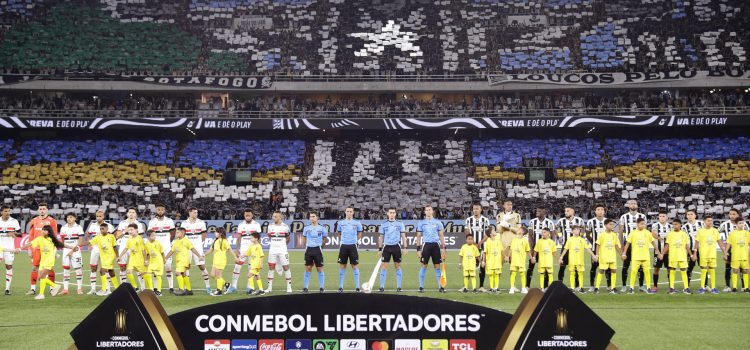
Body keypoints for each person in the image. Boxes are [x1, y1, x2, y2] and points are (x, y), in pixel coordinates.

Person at [17, 225, 78, 300]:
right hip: (42, 261)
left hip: (49, 261)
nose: (43, 231)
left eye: (45, 230)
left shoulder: (52, 239)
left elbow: (62, 245)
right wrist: (20, 248)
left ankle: (44, 292)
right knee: (40, 278)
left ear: (49, 232)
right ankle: (51, 288)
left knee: (42, 277)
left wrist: (72, 247)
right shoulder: (39, 238)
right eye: (42, 230)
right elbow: (30, 244)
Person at [621, 218, 661, 294]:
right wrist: (624, 253)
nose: (643, 225)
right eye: (642, 223)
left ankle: (649, 288)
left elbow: (653, 243)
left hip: (645, 256)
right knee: (633, 272)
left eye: (644, 224)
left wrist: (658, 252)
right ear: (637, 224)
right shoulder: (632, 233)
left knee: (647, 272)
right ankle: (631, 288)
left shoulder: (648, 233)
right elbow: (627, 244)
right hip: (636, 257)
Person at [26, 203, 58, 296]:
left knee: (50, 268)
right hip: (36, 249)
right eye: (40, 209)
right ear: (38, 210)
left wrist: (54, 250)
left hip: (48, 250)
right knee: (35, 268)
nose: (42, 210)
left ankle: (52, 289)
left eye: (44, 209)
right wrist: (29, 249)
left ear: (47, 210)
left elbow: (54, 236)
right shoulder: (34, 220)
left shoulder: (52, 221)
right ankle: (32, 289)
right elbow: (31, 235)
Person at [416, 205, 447, 293]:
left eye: (430, 210)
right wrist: (418, 249)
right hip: (426, 246)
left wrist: (443, 248)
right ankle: (421, 287)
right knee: (424, 266)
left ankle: (440, 287)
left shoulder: (438, 222)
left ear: (432, 211)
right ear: (424, 212)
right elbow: (418, 236)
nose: (428, 211)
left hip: (436, 246)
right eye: (426, 210)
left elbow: (441, 235)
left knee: (437, 267)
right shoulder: (421, 223)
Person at [164, 227, 204, 296]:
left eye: (177, 232)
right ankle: (189, 290)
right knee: (183, 274)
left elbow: (192, 249)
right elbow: (172, 251)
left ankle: (181, 290)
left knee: (177, 273)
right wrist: (165, 258)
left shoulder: (186, 241)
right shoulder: (176, 241)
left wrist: (199, 256)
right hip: (179, 261)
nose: (176, 234)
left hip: (184, 260)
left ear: (182, 233)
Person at [229, 209, 261, 294]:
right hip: (243, 250)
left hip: (253, 250)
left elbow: (259, 238)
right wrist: (237, 249)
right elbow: (238, 237)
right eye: (246, 215)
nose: (247, 217)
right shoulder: (240, 225)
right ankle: (234, 286)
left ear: (252, 215)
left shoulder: (256, 225)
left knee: (251, 269)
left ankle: (249, 287)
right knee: (237, 267)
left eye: (249, 215)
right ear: (244, 216)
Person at [180, 208, 211, 294]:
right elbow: (182, 235)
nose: (196, 214)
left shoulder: (201, 222)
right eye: (194, 213)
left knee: (201, 266)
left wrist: (201, 243)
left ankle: (208, 287)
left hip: (198, 248)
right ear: (189, 213)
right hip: (187, 248)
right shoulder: (184, 223)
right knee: (186, 267)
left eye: (196, 212)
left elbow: (204, 234)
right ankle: (187, 288)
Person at [619, 200, 647, 292]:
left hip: (639, 245)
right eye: (631, 203)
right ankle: (624, 286)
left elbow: (645, 232)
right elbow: (620, 232)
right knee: (625, 265)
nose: (633, 205)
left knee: (640, 266)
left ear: (637, 205)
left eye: (634, 203)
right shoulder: (624, 217)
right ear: (628, 206)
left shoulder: (642, 216)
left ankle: (641, 285)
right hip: (628, 244)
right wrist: (622, 247)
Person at [147, 203, 175, 293]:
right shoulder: (152, 222)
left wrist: (167, 242)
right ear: (156, 210)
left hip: (166, 247)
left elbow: (173, 233)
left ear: (164, 210)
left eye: (162, 209)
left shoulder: (169, 221)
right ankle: (155, 288)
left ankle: (171, 287)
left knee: (168, 267)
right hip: (155, 249)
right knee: (155, 268)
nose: (160, 211)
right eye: (158, 209)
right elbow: (149, 234)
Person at [559, 226, 597, 293]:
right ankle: (572, 288)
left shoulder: (582, 240)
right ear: (572, 231)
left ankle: (581, 288)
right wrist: (561, 257)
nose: (577, 231)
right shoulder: (570, 239)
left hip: (580, 260)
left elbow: (587, 248)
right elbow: (565, 249)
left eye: (578, 229)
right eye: (575, 229)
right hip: (572, 260)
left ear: (579, 231)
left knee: (580, 273)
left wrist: (593, 255)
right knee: (572, 273)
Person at [84, 210, 114, 294]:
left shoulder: (109, 226)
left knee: (106, 269)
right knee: (93, 268)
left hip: (105, 249)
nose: (98, 218)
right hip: (95, 248)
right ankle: (93, 289)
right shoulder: (92, 226)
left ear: (103, 216)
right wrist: (89, 244)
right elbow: (87, 235)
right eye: (97, 216)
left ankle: (108, 289)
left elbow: (113, 236)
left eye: (100, 216)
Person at [378, 208, 407, 292]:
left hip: (396, 247)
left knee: (398, 266)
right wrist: (380, 249)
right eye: (390, 212)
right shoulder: (383, 224)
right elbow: (381, 237)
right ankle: (382, 286)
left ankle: (399, 287)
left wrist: (405, 247)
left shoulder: (400, 224)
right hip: (386, 247)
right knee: (384, 266)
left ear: (395, 214)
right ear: (387, 214)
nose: (392, 214)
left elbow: (403, 237)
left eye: (393, 212)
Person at [115, 208, 146, 286]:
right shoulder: (122, 223)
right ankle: (123, 286)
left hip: (135, 248)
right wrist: (125, 231)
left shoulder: (138, 224)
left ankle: (142, 287)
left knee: (138, 268)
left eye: (133, 212)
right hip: (124, 246)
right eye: (130, 212)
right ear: (127, 214)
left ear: (135, 214)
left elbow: (141, 237)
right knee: (122, 267)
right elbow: (117, 236)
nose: (131, 213)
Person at [718, 209, 748, 292]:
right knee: (728, 267)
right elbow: (717, 234)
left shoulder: (744, 225)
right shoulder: (725, 224)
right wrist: (723, 245)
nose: (732, 216)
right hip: (729, 248)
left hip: (740, 249)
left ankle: (743, 286)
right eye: (730, 214)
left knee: (742, 268)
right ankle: (728, 286)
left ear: (738, 215)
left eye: (734, 214)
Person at [87, 223, 119, 296]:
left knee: (102, 270)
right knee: (111, 271)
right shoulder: (98, 237)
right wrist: (79, 245)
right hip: (104, 257)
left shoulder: (111, 237)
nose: (101, 230)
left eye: (103, 229)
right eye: (100, 229)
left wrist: (117, 256)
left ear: (107, 229)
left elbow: (114, 247)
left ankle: (104, 290)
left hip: (110, 256)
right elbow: (89, 242)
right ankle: (117, 288)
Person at [526, 207, 555, 289]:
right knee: (530, 268)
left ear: (544, 212)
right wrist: (531, 249)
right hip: (535, 249)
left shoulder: (549, 223)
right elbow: (530, 236)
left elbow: (553, 236)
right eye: (537, 211)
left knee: (545, 269)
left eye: (539, 211)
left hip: (545, 251)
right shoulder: (532, 222)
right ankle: (527, 286)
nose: (537, 212)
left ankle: (545, 287)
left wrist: (550, 248)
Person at [464, 203, 491, 292]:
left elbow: (488, 234)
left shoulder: (485, 220)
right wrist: (473, 243)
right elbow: (467, 232)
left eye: (477, 208)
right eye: (474, 209)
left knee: (482, 265)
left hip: (482, 247)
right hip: (471, 247)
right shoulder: (468, 220)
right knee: (469, 266)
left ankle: (481, 286)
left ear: (481, 209)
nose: (475, 210)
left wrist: (480, 243)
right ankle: (466, 286)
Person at [336, 207, 363, 292]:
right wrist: (343, 240)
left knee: (355, 266)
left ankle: (357, 287)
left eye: (350, 211)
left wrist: (355, 240)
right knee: (342, 266)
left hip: (353, 246)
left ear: (353, 212)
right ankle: (340, 287)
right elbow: (339, 233)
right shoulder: (340, 223)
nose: (349, 213)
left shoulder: (357, 223)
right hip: (343, 246)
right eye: (347, 211)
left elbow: (360, 233)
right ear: (345, 212)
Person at [556, 206, 585, 286]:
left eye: (568, 211)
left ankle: (577, 285)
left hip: (576, 248)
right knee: (562, 266)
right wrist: (559, 237)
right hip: (565, 247)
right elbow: (554, 229)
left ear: (572, 212)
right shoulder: (561, 221)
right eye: (565, 211)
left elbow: (583, 229)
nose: (566, 212)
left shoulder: (579, 220)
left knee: (576, 267)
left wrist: (581, 237)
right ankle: (559, 284)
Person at [694, 216, 723, 294]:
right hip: (703, 254)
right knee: (703, 270)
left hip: (712, 254)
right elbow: (696, 242)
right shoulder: (700, 231)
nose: (710, 222)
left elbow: (719, 241)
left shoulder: (715, 231)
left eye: (711, 220)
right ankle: (702, 287)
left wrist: (724, 251)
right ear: (704, 221)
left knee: (712, 270)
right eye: (708, 220)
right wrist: (694, 253)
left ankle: (713, 287)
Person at [662, 219, 692, 294]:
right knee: (672, 271)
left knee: (683, 271)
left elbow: (686, 245)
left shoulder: (684, 234)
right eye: (673, 224)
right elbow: (667, 245)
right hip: (673, 255)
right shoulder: (670, 234)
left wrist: (691, 254)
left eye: (676, 224)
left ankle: (686, 288)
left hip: (682, 255)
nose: (674, 226)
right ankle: (671, 288)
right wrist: (662, 254)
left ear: (680, 225)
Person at [204, 227, 236, 296]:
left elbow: (230, 249)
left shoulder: (224, 241)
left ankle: (219, 291)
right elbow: (210, 250)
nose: (215, 233)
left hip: (221, 260)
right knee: (212, 275)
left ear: (220, 233)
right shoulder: (215, 240)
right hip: (215, 261)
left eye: (216, 232)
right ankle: (226, 284)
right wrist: (203, 255)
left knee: (218, 276)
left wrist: (235, 257)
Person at [266, 211, 292, 293]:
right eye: (273, 216)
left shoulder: (285, 227)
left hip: (282, 250)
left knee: (286, 267)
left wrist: (283, 246)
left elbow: (288, 238)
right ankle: (269, 288)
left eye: (275, 216)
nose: (274, 218)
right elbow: (270, 236)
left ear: (280, 217)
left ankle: (289, 287)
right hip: (272, 249)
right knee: (271, 268)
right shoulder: (270, 226)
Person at [59, 213, 85, 295]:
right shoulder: (63, 228)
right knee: (66, 269)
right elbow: (62, 241)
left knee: (78, 270)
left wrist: (72, 250)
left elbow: (80, 241)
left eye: (71, 217)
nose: (69, 218)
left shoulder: (78, 227)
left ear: (75, 218)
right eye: (67, 217)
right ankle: (65, 289)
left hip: (76, 251)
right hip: (66, 250)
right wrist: (65, 249)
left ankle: (79, 289)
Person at [117, 224, 148, 290]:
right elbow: (126, 248)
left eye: (131, 230)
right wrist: (120, 257)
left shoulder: (140, 239)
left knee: (144, 275)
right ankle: (135, 287)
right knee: (129, 271)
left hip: (139, 259)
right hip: (132, 259)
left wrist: (145, 260)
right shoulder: (129, 239)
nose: (130, 231)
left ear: (136, 230)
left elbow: (144, 250)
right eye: (129, 230)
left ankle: (146, 288)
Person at [302, 212, 327, 293]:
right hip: (309, 249)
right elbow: (304, 238)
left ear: (317, 218)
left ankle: (322, 288)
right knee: (308, 269)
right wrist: (308, 245)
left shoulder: (322, 228)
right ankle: (305, 288)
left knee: (319, 269)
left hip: (318, 250)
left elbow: (325, 239)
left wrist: (321, 247)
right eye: (310, 217)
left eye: (313, 216)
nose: (311, 218)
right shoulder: (306, 228)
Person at [594, 219, 621, 293]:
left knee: (614, 270)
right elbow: (598, 245)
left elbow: (616, 246)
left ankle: (613, 288)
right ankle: (597, 288)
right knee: (601, 271)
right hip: (604, 257)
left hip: (612, 256)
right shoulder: (601, 235)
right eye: (610, 224)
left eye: (612, 224)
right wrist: (597, 255)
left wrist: (621, 255)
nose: (612, 226)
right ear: (605, 225)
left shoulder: (614, 235)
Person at [587, 204, 610, 291]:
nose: (600, 211)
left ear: (604, 211)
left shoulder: (607, 221)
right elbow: (587, 234)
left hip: (606, 249)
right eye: (598, 209)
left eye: (601, 209)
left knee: (607, 267)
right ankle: (592, 286)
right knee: (594, 267)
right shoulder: (591, 222)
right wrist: (595, 242)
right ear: (595, 212)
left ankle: (609, 286)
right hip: (594, 249)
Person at [725, 218, 750, 293]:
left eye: (742, 223)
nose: (741, 224)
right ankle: (734, 287)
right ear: (736, 224)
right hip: (735, 255)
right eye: (740, 223)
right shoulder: (732, 233)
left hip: (744, 255)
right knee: (735, 270)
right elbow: (729, 243)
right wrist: (726, 252)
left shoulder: (747, 233)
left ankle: (746, 288)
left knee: (745, 271)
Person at [0, 205, 21, 295]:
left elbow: (20, 234)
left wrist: (14, 233)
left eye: (8, 211)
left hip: (10, 249)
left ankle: (7, 289)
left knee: (9, 266)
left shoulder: (14, 221)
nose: (8, 213)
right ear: (1, 212)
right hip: (0, 248)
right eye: (5, 211)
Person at [650, 211, 672, 292]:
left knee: (669, 269)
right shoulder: (655, 225)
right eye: (660, 216)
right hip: (658, 252)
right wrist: (659, 238)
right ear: (658, 217)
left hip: (668, 252)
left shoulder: (670, 226)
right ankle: (655, 286)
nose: (662, 217)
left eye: (663, 216)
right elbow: (653, 234)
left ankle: (671, 286)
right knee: (656, 269)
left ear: (667, 217)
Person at [682, 210, 704, 287]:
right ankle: (687, 285)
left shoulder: (702, 224)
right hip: (690, 250)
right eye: (688, 214)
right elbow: (684, 240)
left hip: (702, 250)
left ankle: (705, 285)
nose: (689, 216)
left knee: (703, 267)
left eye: (691, 214)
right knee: (689, 267)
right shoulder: (684, 227)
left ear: (695, 215)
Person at [507, 227, 531, 294]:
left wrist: (531, 258)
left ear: (522, 232)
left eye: (519, 229)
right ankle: (512, 288)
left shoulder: (525, 240)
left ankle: (523, 288)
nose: (517, 230)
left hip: (521, 260)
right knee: (513, 273)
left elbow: (528, 250)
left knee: (522, 274)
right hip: (514, 260)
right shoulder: (514, 239)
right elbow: (511, 249)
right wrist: (508, 256)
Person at [483, 226, 505, 293]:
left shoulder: (498, 241)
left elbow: (502, 251)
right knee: (491, 275)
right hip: (490, 262)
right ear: (490, 234)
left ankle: (496, 288)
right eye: (493, 231)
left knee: (497, 274)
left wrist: (505, 257)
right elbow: (484, 252)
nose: (495, 231)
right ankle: (492, 288)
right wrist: (484, 261)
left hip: (497, 262)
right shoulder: (486, 242)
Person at [144, 230, 165, 296]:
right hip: (151, 262)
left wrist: (164, 259)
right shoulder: (147, 243)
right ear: (148, 236)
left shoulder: (158, 243)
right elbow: (147, 253)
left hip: (158, 261)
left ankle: (159, 291)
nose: (154, 236)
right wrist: (146, 260)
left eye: (155, 235)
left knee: (158, 276)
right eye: (153, 235)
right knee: (148, 274)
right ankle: (151, 290)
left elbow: (162, 252)